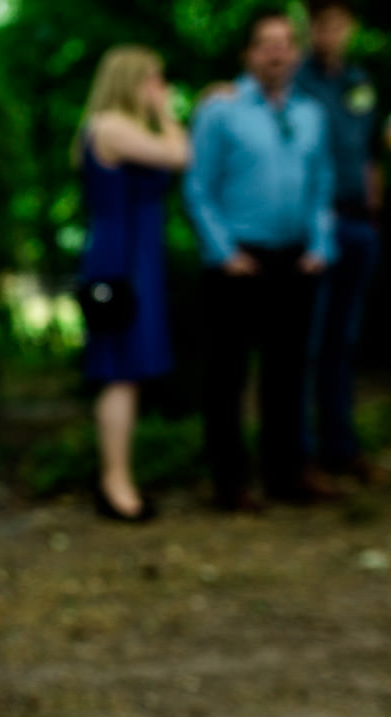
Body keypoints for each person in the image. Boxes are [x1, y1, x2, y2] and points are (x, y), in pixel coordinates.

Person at [184, 8, 335, 511]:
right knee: (227, 376)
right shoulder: (220, 110)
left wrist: (321, 243)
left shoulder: (311, 113)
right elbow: (198, 186)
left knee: (289, 371)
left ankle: (287, 473)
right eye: (266, 44)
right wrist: (223, 251)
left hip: (297, 260)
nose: (276, 52)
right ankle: (231, 483)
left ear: (295, 51)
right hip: (238, 262)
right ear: (250, 53)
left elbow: (322, 185)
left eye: (285, 43)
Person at [72, 46, 188, 521]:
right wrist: (166, 112)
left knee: (129, 373)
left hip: (135, 259)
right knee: (120, 370)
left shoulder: (117, 127)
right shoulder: (111, 126)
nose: (158, 88)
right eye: (152, 79)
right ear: (130, 80)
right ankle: (115, 483)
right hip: (119, 263)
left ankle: (119, 478)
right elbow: (180, 154)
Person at [296, 0, 381, 483]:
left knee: (343, 342)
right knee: (309, 340)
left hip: (358, 222)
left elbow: (369, 152)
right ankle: (302, 454)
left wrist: (373, 212)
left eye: (338, 25)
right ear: (310, 28)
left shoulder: (360, 83)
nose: (330, 34)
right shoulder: (297, 81)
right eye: (321, 25)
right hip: (315, 224)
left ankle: (341, 446)